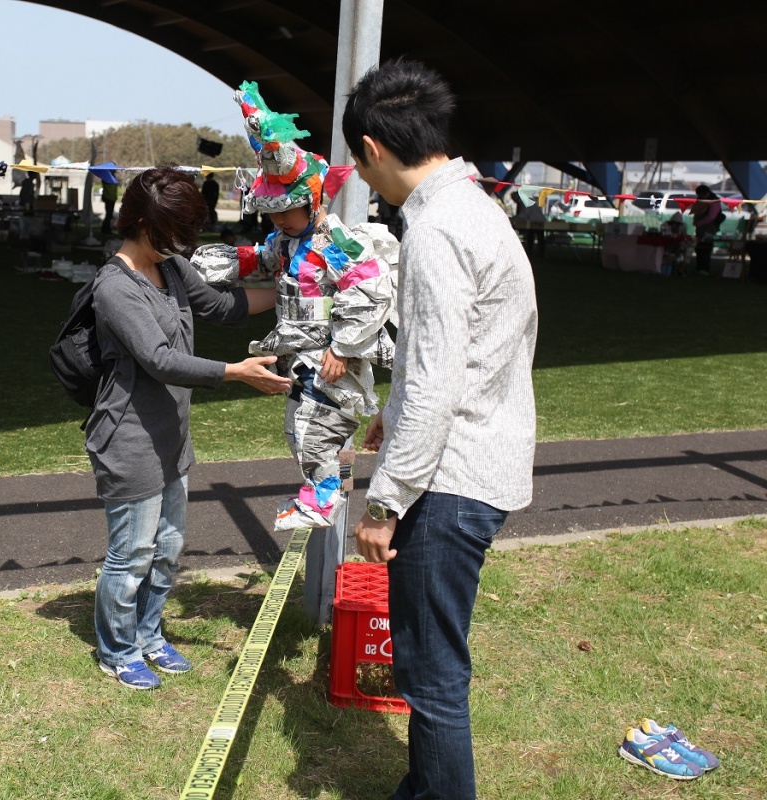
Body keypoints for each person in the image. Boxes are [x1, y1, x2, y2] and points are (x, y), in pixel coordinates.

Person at [343, 59, 538, 800]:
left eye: (361, 168)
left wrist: (385, 501)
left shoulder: (434, 232)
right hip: (476, 457)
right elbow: (479, 348)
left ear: (372, 150)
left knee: (431, 675)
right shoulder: (478, 209)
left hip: (451, 481)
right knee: (434, 663)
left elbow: (432, 382)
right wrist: (393, 420)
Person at [89, 166, 291, 690]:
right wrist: (235, 372)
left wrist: (292, 288)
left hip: (172, 435)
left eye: (184, 235)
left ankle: (150, 634)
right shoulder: (115, 287)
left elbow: (223, 307)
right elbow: (160, 360)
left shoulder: (172, 267)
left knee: (169, 545)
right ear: (136, 222)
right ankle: (118, 649)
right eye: (168, 234)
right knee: (131, 552)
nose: (177, 245)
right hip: (129, 439)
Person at [190, 82, 398, 532]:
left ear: (313, 199)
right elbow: (263, 257)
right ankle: (317, 493)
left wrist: (343, 348)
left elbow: (372, 290)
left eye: (287, 209)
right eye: (272, 211)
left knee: (314, 431)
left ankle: (322, 501)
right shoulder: (287, 240)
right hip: (299, 356)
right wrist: (229, 261)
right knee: (299, 431)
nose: (279, 219)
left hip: (327, 358)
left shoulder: (334, 242)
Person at [689, 184, 724, 275]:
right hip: (701, 228)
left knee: (705, 248)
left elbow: (711, 216)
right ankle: (700, 267)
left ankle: (704, 269)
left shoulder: (714, 202)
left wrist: (699, 223)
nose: (700, 197)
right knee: (700, 248)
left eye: (701, 194)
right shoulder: (703, 200)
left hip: (709, 229)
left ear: (706, 193)